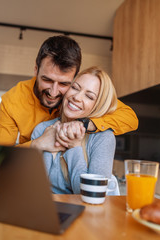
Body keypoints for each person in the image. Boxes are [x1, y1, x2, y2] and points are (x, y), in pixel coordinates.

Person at [0, 35, 138, 151]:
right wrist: (37, 145)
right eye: (47, 80)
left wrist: (85, 125)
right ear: (36, 69)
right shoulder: (12, 100)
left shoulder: (77, 96)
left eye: (64, 83)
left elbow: (130, 118)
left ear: (75, 78)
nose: (53, 92)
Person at [31, 66, 118, 194]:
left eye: (89, 96)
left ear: (98, 105)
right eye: (75, 88)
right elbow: (29, 187)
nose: (77, 97)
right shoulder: (42, 129)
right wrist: (38, 144)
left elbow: (93, 194)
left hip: (83, 212)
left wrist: (74, 147)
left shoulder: (103, 138)